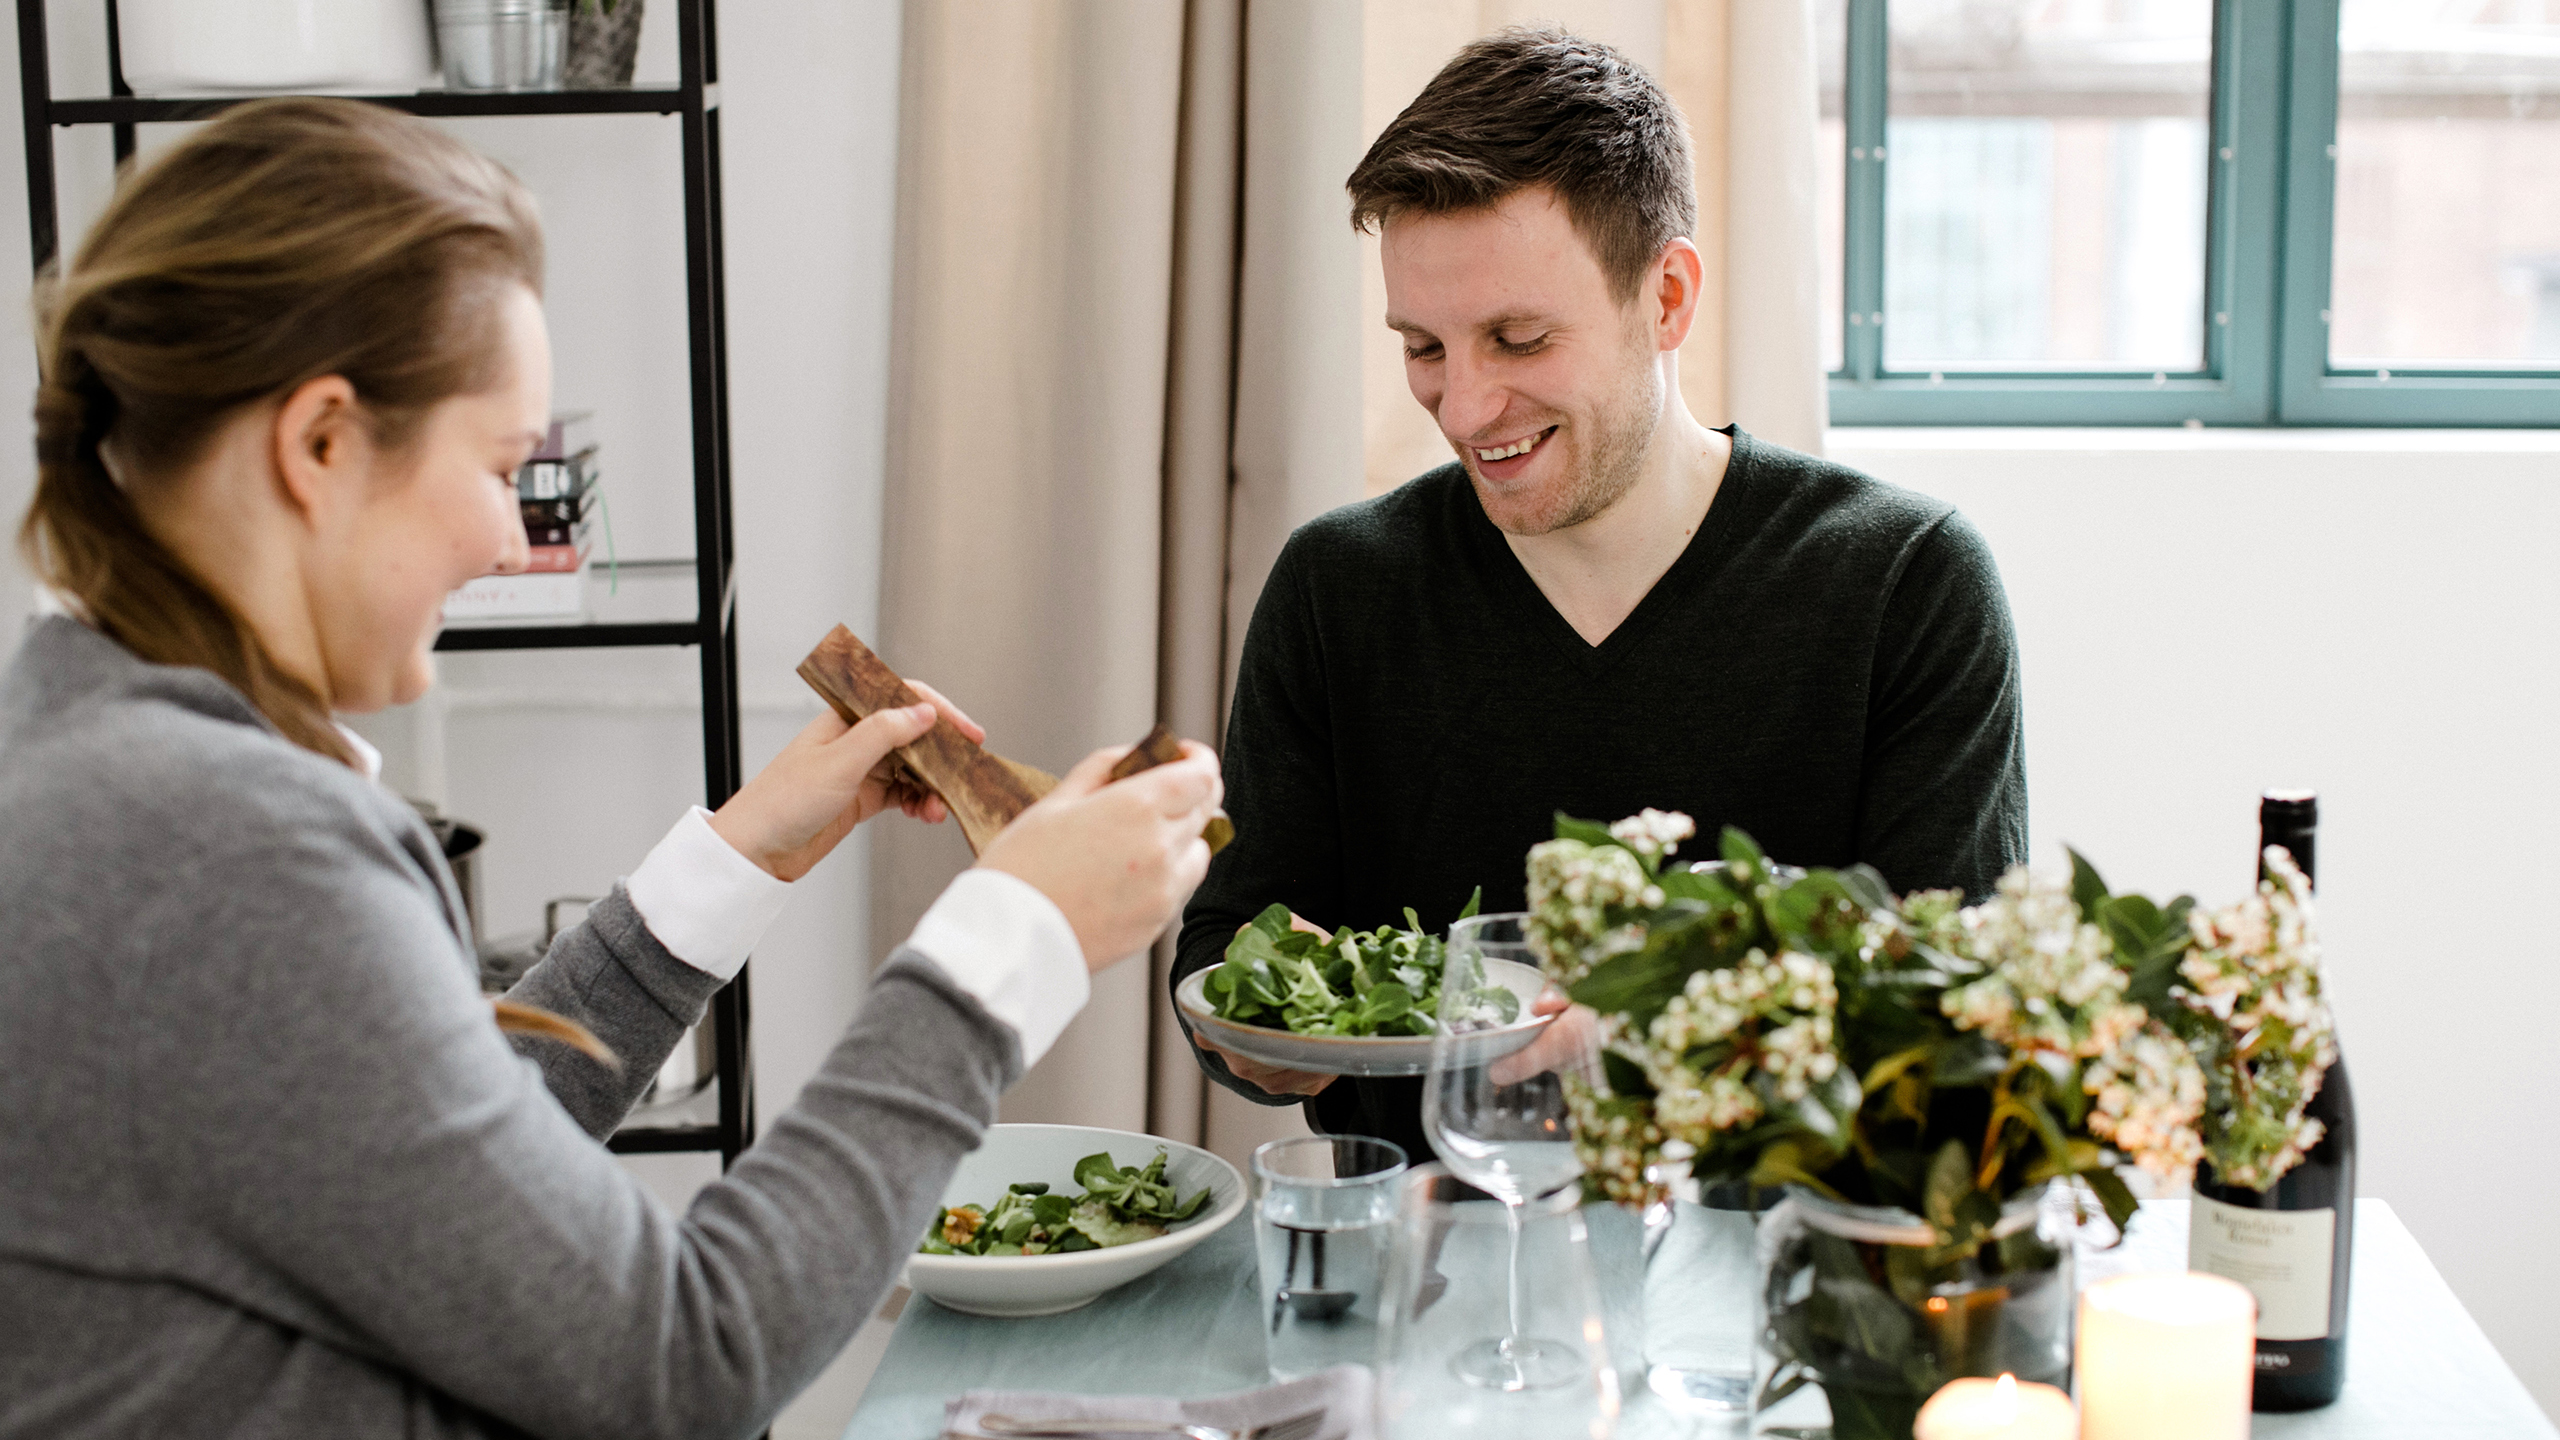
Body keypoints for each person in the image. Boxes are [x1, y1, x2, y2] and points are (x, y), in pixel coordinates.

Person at [0, 99, 1222, 1440]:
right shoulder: (218, 848)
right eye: (504, 467)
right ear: (324, 444)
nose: (509, 540)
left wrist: (735, 858)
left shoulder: (109, 761)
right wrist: (1013, 940)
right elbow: (677, 1360)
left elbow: (437, 1173)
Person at [1173, 29, 2026, 1162]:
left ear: (1665, 297)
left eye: (1518, 338)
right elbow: (1231, 940)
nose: (1466, 408)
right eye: (1423, 347)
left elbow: (1958, 1002)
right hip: (1427, 1273)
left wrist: (1690, 1028)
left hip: (1779, 1270)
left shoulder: (1904, 581)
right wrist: (1263, 1023)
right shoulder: (1340, 587)